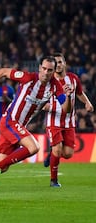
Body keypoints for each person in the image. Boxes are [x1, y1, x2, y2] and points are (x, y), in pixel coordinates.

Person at [0, 56, 73, 203]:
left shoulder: (56, 86)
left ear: (53, 72)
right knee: (34, 147)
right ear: (39, 68)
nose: (46, 72)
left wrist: (68, 97)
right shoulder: (28, 78)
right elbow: (4, 71)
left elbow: (66, 109)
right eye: (44, 69)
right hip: (9, 121)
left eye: (50, 70)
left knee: (3, 167)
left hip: (17, 127)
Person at [43, 53, 94, 187]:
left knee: (68, 154)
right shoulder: (49, 81)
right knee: (58, 150)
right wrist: (54, 107)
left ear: (64, 63)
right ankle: (53, 180)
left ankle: (52, 154)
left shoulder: (73, 78)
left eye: (60, 62)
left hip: (69, 122)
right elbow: (41, 103)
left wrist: (87, 103)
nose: (58, 65)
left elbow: (79, 93)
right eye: (56, 63)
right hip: (54, 121)